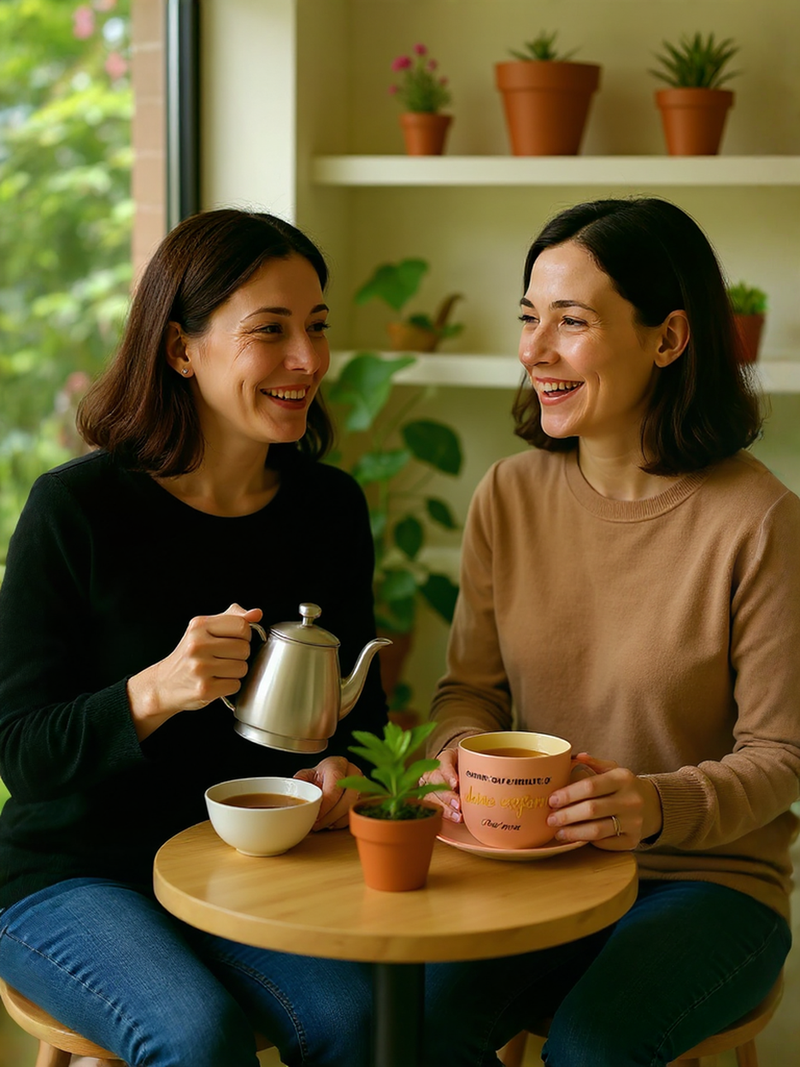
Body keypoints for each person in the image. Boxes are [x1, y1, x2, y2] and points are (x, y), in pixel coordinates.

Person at [0, 208, 387, 1067]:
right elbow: (20, 751)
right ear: (181, 348)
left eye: (318, 327)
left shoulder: (328, 509)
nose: (308, 359)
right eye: (271, 330)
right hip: (77, 872)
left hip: (244, 866)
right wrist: (155, 690)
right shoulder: (76, 510)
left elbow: (362, 721)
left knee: (363, 1017)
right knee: (195, 1033)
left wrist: (343, 771)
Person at [421, 198, 799, 1067]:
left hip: (708, 882)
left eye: (572, 321)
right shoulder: (507, 496)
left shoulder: (760, 519)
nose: (534, 350)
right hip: (534, 868)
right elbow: (467, 692)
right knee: (406, 1016)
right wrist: (458, 755)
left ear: (668, 339)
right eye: (529, 317)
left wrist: (654, 805)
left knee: (595, 1043)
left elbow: (781, 753)